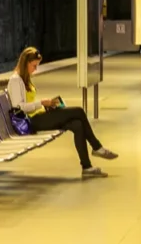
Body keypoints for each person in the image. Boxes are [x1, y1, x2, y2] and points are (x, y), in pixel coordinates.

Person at [7, 47, 117, 178]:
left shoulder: (24, 79)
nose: (35, 69)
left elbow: (28, 103)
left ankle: (87, 167)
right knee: (79, 111)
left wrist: (47, 105)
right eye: (34, 66)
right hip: (31, 122)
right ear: (26, 63)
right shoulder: (15, 80)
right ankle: (97, 147)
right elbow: (19, 107)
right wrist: (41, 103)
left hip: (37, 116)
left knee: (77, 124)